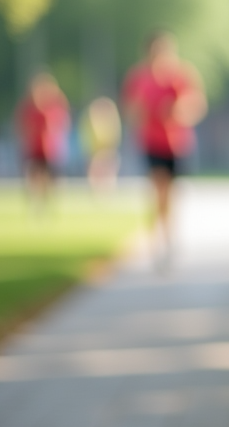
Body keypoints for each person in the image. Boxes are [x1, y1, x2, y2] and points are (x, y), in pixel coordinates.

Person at [121, 31, 206, 265]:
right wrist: (144, 111)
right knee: (158, 192)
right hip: (152, 142)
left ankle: (169, 237)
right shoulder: (140, 78)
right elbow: (132, 111)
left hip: (177, 144)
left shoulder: (181, 75)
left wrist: (177, 110)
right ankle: (158, 241)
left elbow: (196, 105)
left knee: (171, 195)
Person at [16, 72, 71, 211]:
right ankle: (36, 204)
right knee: (34, 178)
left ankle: (49, 203)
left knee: (51, 180)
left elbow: (62, 124)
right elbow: (22, 127)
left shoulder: (54, 108)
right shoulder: (30, 109)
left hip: (50, 150)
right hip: (34, 149)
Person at [81, 96, 122, 193]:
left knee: (108, 169)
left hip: (107, 148)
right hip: (96, 149)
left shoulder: (110, 118)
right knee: (96, 169)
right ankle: (96, 188)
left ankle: (107, 188)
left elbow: (114, 133)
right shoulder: (93, 118)